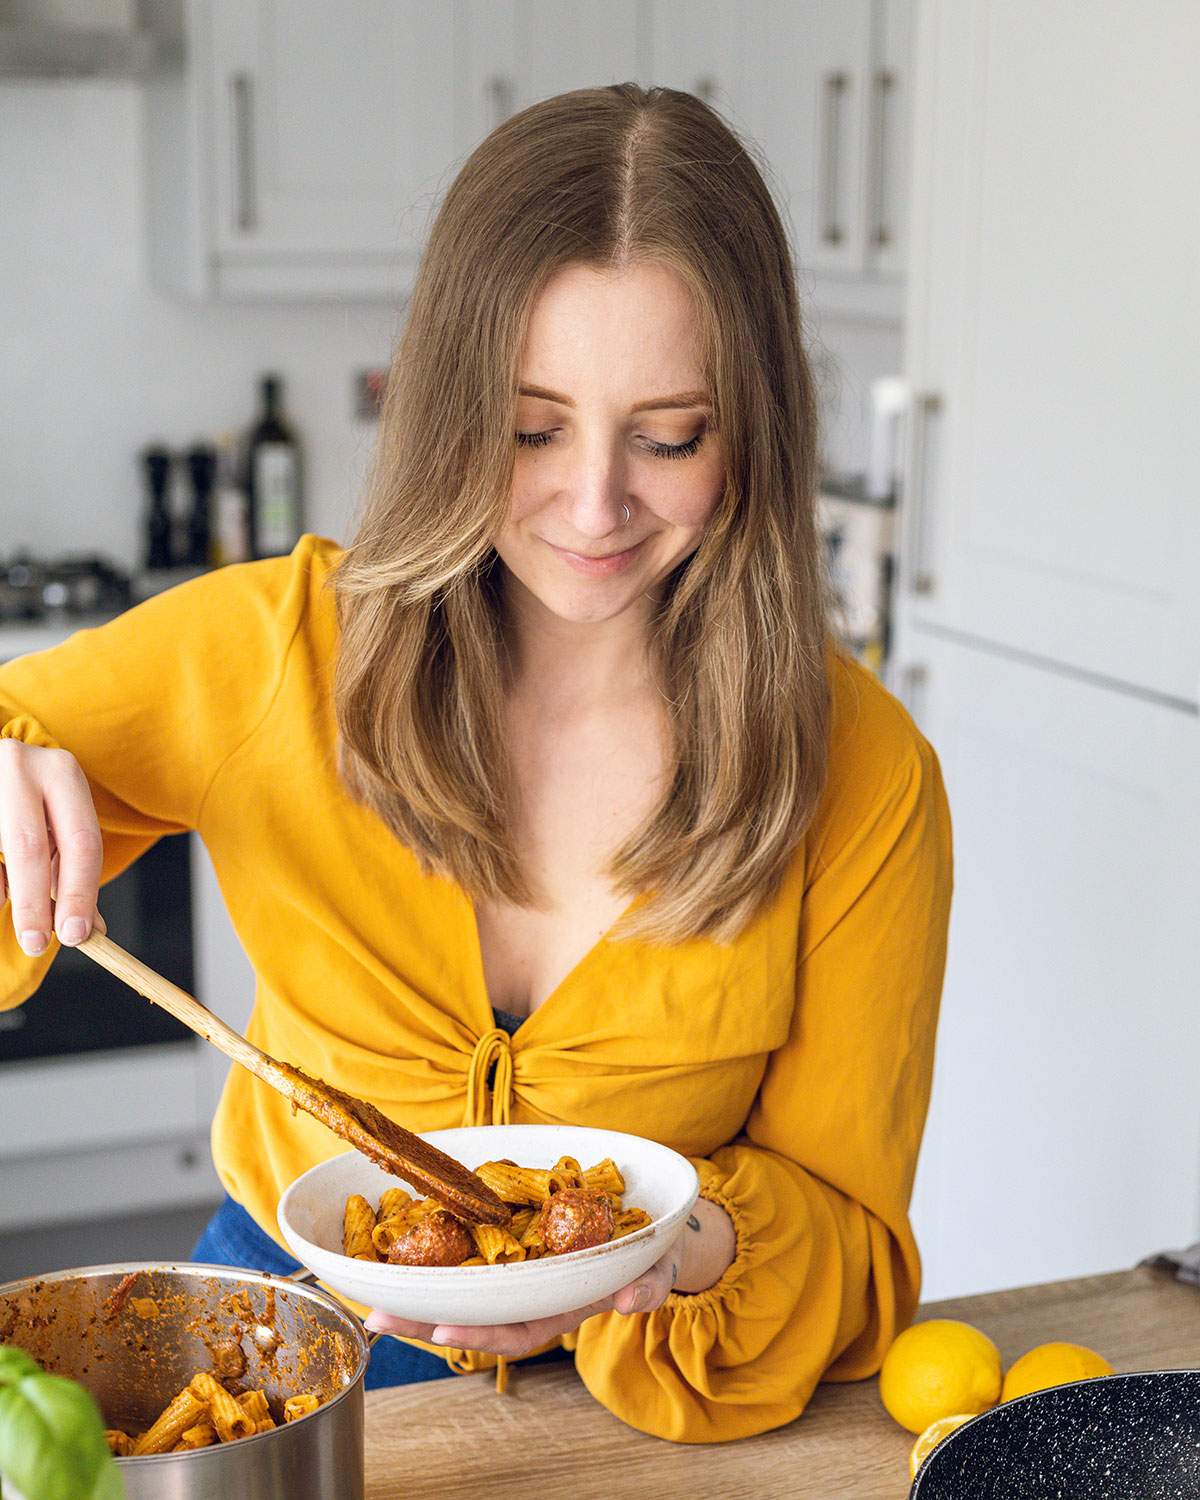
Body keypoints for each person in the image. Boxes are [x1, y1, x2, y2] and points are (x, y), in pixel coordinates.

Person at [0, 83, 951, 1443]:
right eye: (532, 424)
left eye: (670, 433)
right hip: (284, 1365)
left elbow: (856, 1261)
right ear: (449, 407)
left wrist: (657, 1258)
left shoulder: (866, 775)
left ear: (754, 429)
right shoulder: (273, 653)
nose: (594, 502)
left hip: (659, 1402)